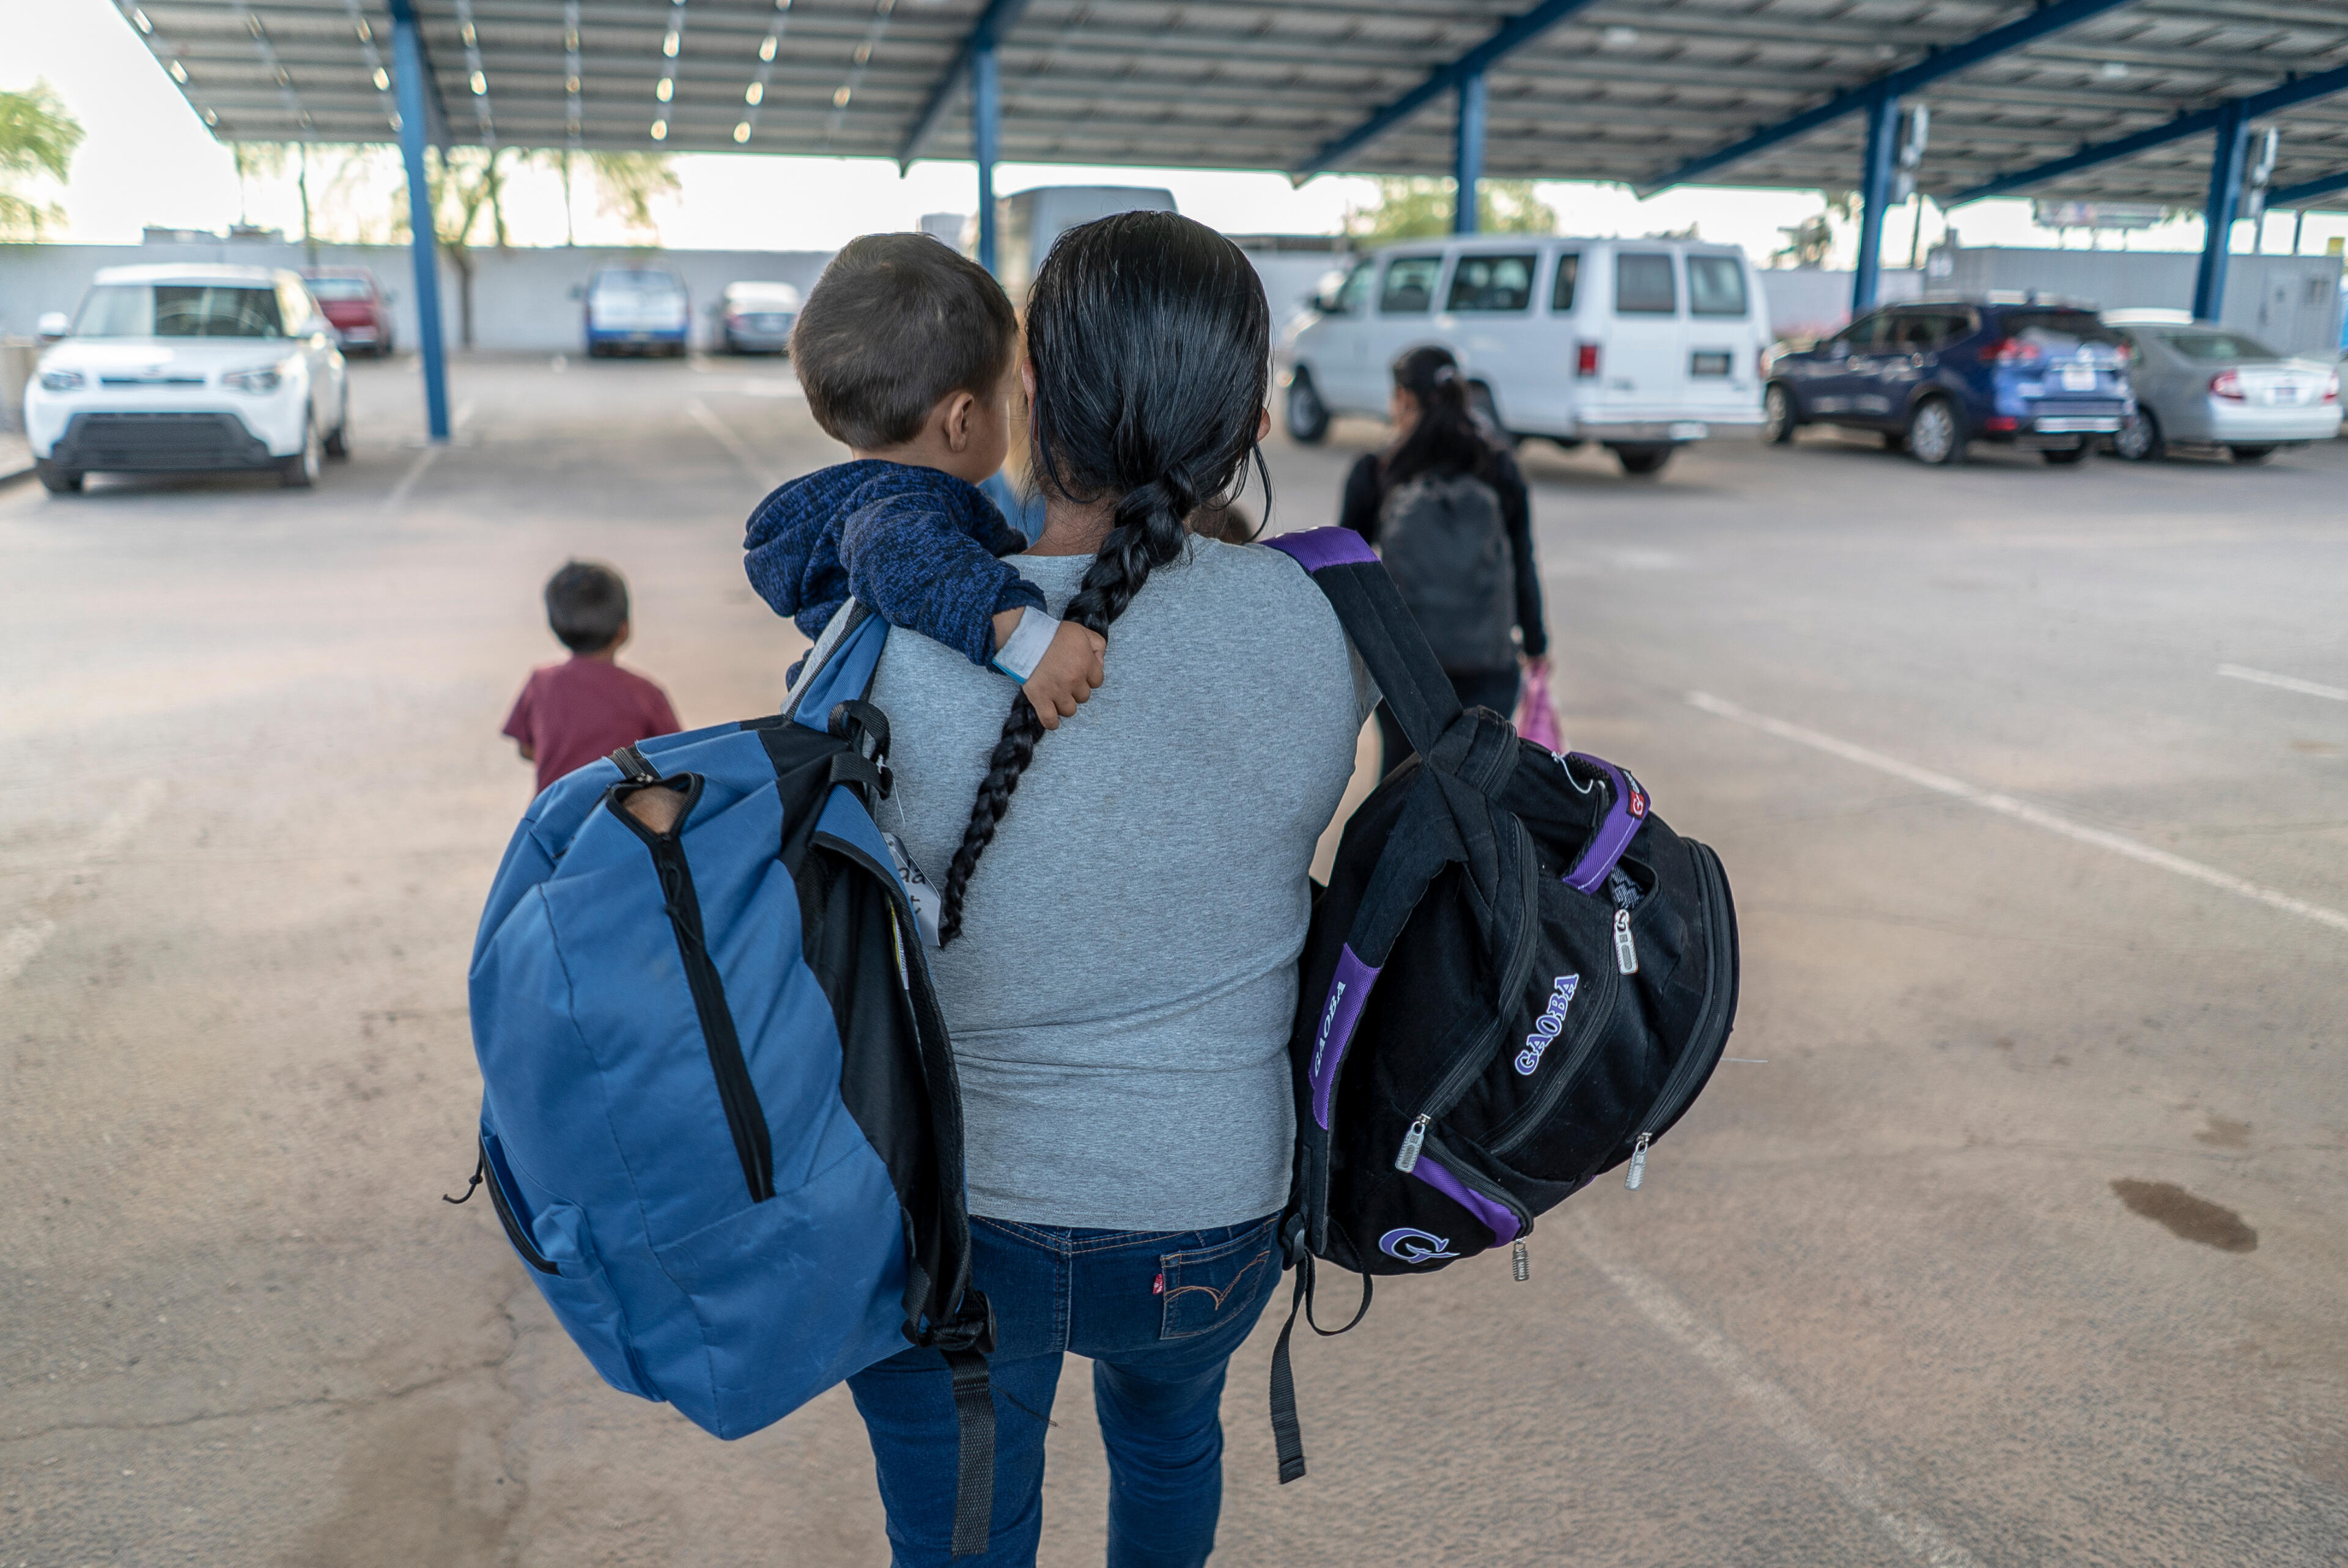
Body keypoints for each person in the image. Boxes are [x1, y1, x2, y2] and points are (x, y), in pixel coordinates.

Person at [843, 211, 1376, 1567]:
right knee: (1168, 1444)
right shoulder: (1329, 630)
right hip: (1217, 1210)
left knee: (968, 1526)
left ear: (1026, 400)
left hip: (972, 1216)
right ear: (1251, 417)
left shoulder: (889, 644)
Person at [742, 232, 1105, 729]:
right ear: (961, 421)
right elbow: (889, 548)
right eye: (1002, 400)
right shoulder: (896, 508)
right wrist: (1030, 642)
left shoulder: (864, 499)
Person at [1337, 344, 1548, 773]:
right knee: (1477, 790)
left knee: (1401, 783)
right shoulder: (1498, 467)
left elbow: (1345, 574)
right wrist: (1537, 644)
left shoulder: (1380, 470)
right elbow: (1523, 560)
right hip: (1489, 662)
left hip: (1407, 667)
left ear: (1403, 399)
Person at [501, 559, 681, 794]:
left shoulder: (541, 683)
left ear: (555, 628)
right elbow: (676, 759)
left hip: (549, 820)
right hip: (618, 821)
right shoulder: (645, 693)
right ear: (623, 628)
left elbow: (526, 749)